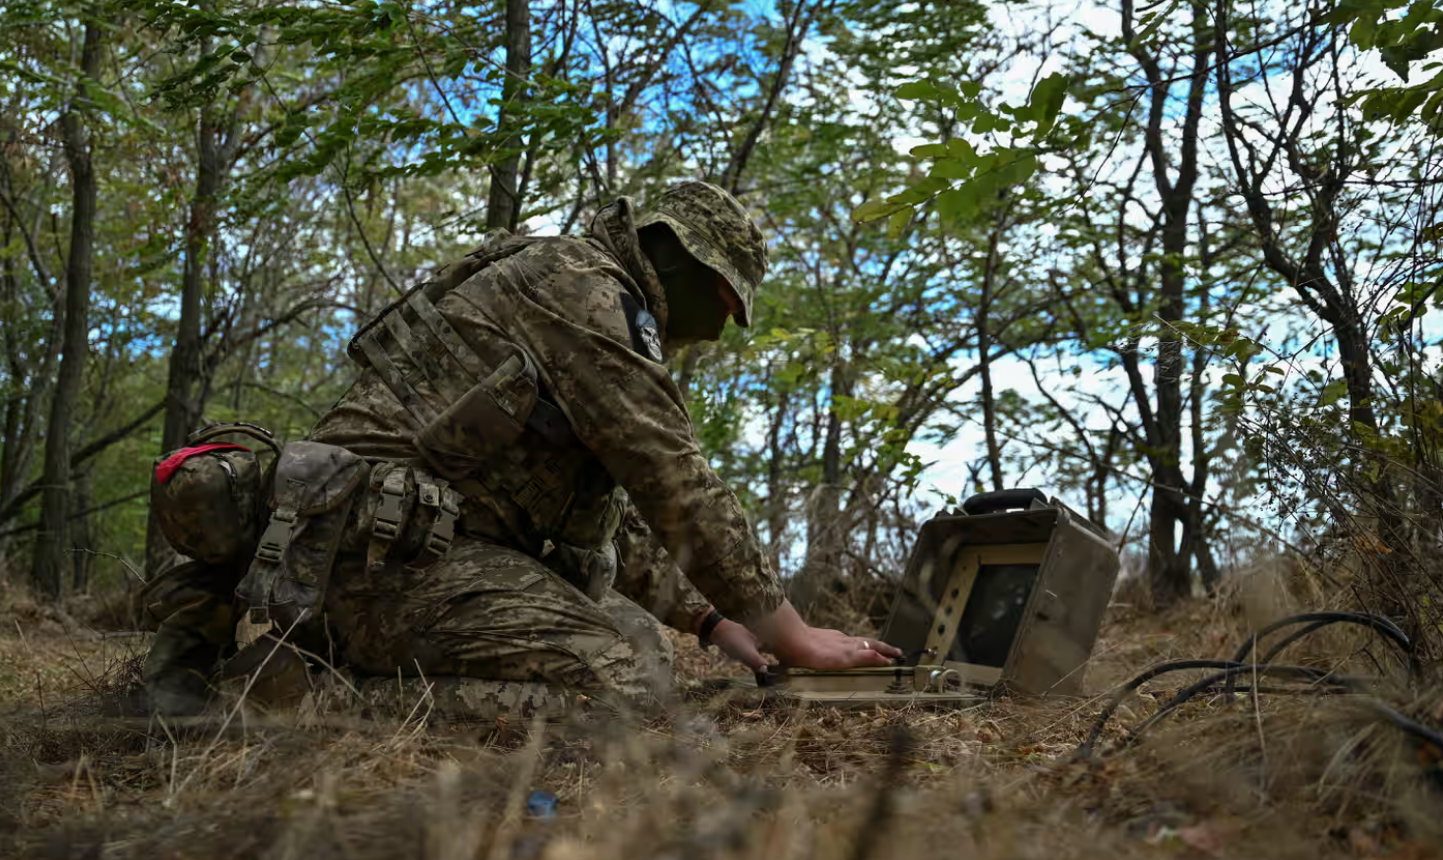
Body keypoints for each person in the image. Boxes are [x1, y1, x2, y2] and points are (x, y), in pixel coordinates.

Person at [144, 181, 899, 717]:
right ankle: (303, 689)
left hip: (420, 552)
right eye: (725, 302)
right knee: (618, 684)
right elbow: (670, 475)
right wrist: (791, 633)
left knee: (645, 648)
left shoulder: (575, 294)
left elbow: (612, 516)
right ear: (674, 257)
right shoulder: (583, 290)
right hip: (372, 558)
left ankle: (301, 645)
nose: (718, 327)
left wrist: (714, 622)